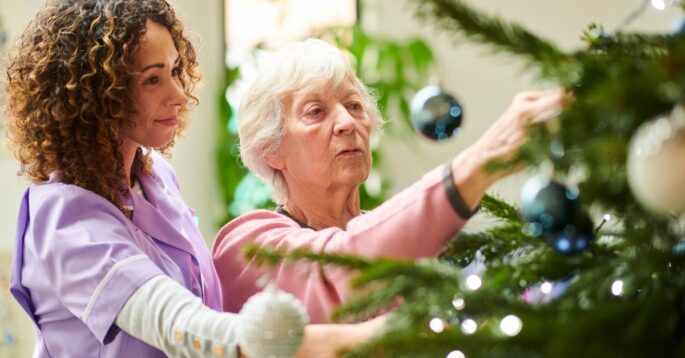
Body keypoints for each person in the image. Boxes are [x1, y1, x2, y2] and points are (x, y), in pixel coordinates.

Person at [5, 1, 382, 357]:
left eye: (173, 71)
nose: (180, 95)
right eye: (152, 79)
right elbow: (188, 330)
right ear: (97, 93)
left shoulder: (157, 182)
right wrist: (374, 335)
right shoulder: (66, 218)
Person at [212, 39, 571, 323]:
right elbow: (347, 269)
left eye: (354, 105)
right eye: (316, 111)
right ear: (271, 149)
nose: (347, 123)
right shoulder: (246, 247)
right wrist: (480, 161)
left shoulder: (409, 242)